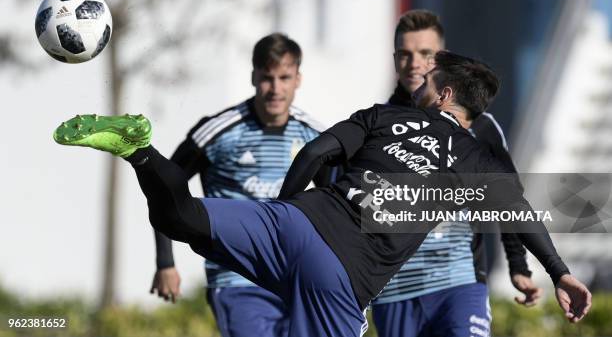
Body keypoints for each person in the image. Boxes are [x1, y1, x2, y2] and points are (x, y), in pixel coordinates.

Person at [53, 51, 592, 337]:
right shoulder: (483, 160)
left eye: (426, 80)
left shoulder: (385, 115)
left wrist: (283, 213)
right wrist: (559, 272)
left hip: (297, 219)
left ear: (444, 93)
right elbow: (522, 214)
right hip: (342, 274)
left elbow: (312, 156)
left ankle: (139, 150)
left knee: (184, 217)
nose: (417, 84)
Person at [149, 33, 331, 337]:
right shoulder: (220, 131)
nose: (275, 89)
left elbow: (338, 203)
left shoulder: (314, 135)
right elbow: (165, 189)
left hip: (295, 278)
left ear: (298, 79)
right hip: (236, 279)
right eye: (267, 78)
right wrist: (166, 262)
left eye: (284, 77)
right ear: (253, 77)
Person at [373, 10, 541, 337]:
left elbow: (507, 200)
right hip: (395, 292)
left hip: (460, 283)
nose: (414, 64)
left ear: (441, 60)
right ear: (395, 60)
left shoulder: (480, 126)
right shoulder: (374, 124)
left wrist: (518, 265)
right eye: (405, 55)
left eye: (425, 54)